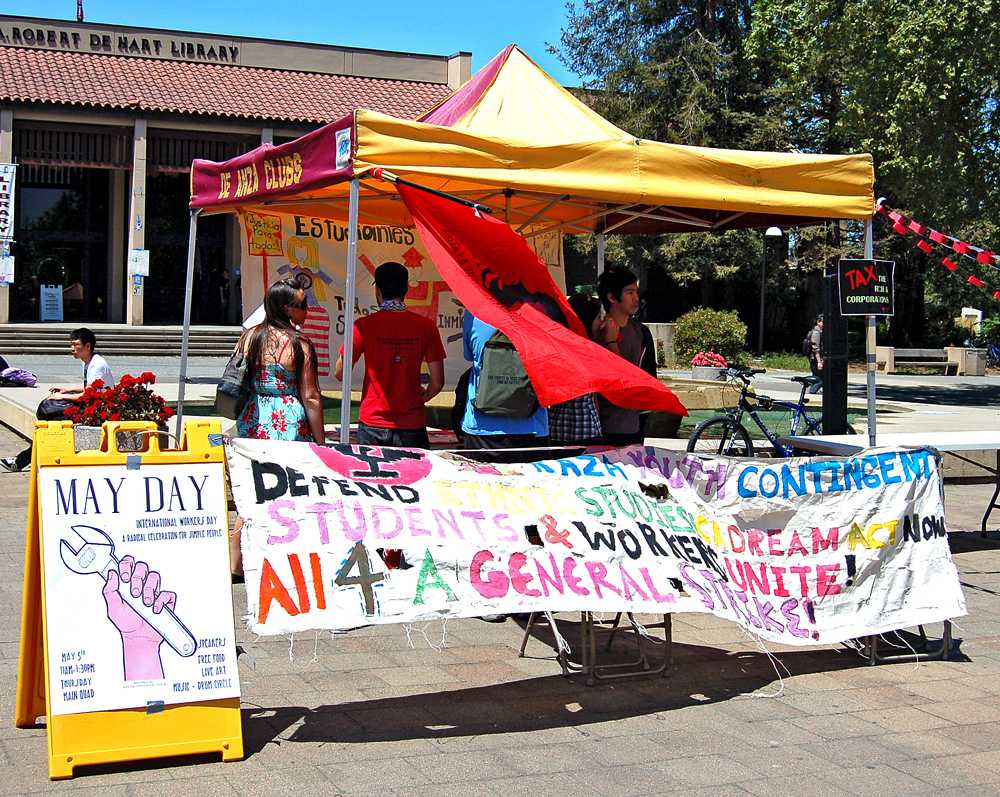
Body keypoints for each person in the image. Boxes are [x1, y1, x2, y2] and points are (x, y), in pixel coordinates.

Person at [230, 276, 325, 578]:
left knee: (249, 491)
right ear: (287, 309)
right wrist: (321, 442)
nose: (307, 311)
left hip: (252, 416)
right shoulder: (300, 345)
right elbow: (310, 396)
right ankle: (283, 558)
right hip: (288, 422)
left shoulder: (249, 337)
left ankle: (235, 562)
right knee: (289, 492)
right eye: (303, 305)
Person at [335, 261, 445, 448]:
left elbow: (340, 373)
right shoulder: (426, 327)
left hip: (373, 421)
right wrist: (423, 398)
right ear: (406, 289)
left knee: (372, 478)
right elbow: (437, 382)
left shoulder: (363, 326)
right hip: (412, 422)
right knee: (415, 477)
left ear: (377, 290)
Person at [1, 328, 112, 472]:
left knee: (49, 413)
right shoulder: (88, 361)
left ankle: (21, 461)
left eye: (75, 344)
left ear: (87, 346)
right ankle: (21, 461)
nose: (72, 348)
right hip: (91, 405)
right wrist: (67, 390)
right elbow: (89, 388)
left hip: (98, 411)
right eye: (71, 344)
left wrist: (62, 396)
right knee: (48, 413)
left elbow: (88, 395)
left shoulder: (97, 365)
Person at [460, 310, 548, 454]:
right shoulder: (540, 312)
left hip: (481, 427)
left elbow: (469, 355)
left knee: (481, 477)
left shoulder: (474, 313)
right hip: (532, 426)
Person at [593, 267, 648, 446]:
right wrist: (608, 342)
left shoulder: (641, 332)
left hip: (634, 426)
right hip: (603, 428)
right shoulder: (596, 330)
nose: (636, 298)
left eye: (636, 292)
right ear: (612, 297)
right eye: (629, 292)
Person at [549, 293, 602, 446]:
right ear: (587, 320)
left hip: (557, 426)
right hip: (587, 428)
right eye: (598, 317)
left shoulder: (557, 347)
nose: (601, 322)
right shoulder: (591, 351)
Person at [808, 314, 824, 394]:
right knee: (821, 380)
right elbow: (815, 349)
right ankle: (812, 392)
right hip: (815, 360)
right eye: (824, 322)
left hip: (816, 359)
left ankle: (812, 392)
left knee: (816, 378)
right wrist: (819, 362)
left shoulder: (819, 332)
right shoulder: (816, 333)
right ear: (818, 322)